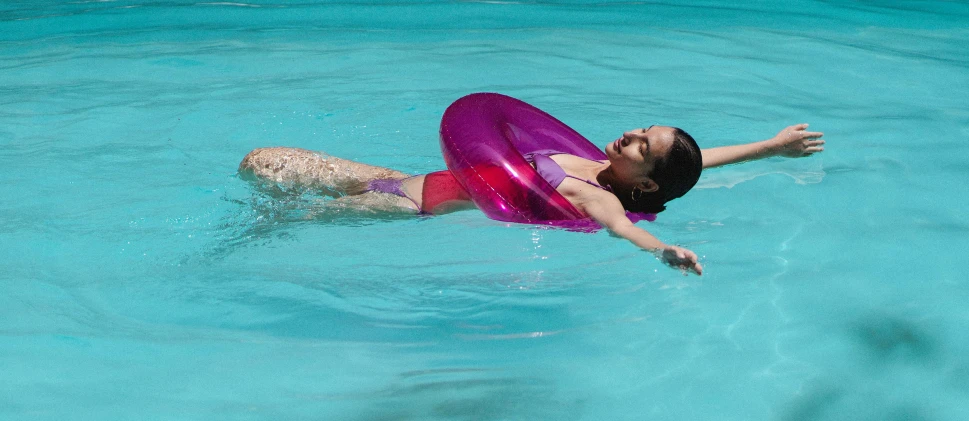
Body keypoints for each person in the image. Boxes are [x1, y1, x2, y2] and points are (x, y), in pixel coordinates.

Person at [239, 124, 825, 275]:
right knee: (260, 160)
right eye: (644, 129)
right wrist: (771, 147)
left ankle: (245, 238)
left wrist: (661, 248)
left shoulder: (595, 195)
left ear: (643, 182)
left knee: (279, 213)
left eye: (642, 146)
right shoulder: (599, 160)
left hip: (404, 205)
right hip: (400, 177)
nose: (632, 135)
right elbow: (704, 159)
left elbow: (623, 228)